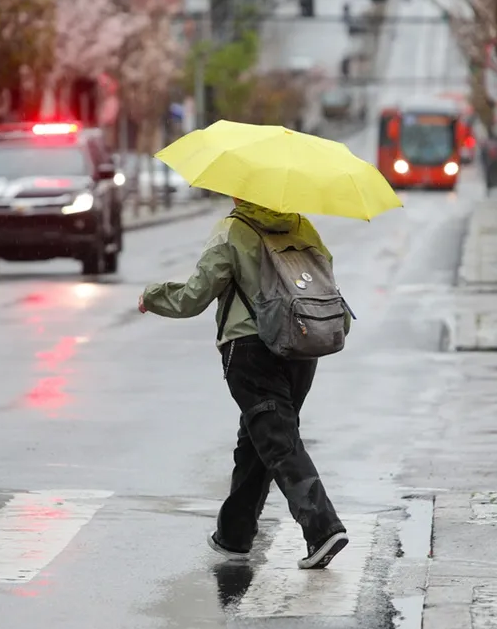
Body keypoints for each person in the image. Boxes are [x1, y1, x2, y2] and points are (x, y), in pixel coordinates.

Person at [139, 198, 351, 570]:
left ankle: (322, 527)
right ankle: (234, 534)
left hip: (251, 349)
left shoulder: (232, 230)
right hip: (302, 345)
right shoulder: (303, 226)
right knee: (260, 439)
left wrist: (152, 296)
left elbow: (194, 296)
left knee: (277, 441)